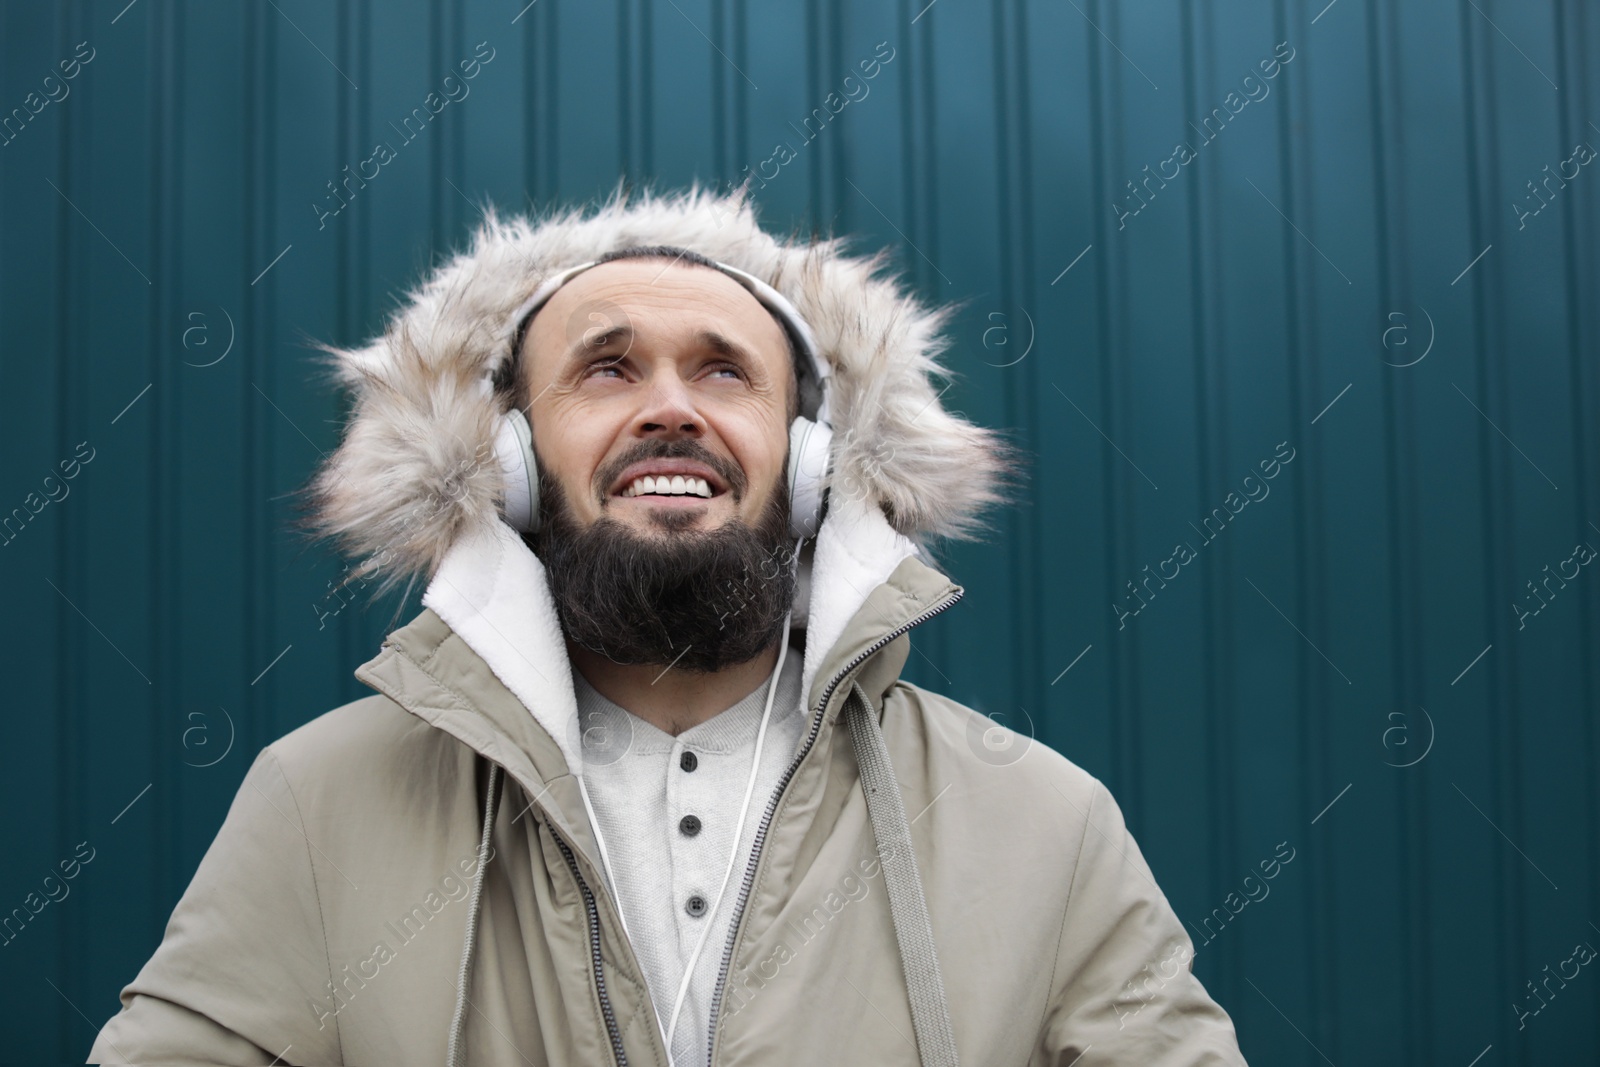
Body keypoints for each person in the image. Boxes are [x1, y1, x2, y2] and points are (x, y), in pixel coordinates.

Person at [90, 184, 1247, 1066]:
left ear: (807, 462)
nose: (670, 408)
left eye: (723, 371)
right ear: (511, 463)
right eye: (606, 368)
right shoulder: (321, 800)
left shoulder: (1038, 817)